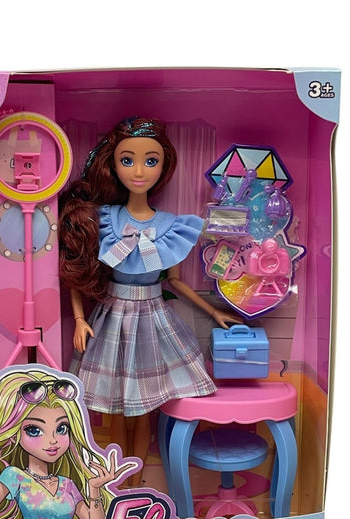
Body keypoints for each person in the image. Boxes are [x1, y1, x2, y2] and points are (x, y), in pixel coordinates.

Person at [58, 117, 241, 486]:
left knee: (143, 410)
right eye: (127, 160)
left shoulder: (172, 226)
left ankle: (137, 485)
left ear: (164, 166)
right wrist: (79, 319)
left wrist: (213, 311)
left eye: (150, 161)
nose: (139, 171)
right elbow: (78, 272)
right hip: (111, 318)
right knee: (113, 409)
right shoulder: (104, 219)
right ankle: (115, 485)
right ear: (113, 165)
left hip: (153, 319)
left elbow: (175, 281)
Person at [0, 367, 137, 519]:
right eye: (34, 430)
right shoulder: (15, 476)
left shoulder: (68, 484)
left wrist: (94, 489)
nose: (53, 440)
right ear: (13, 435)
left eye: (61, 428)